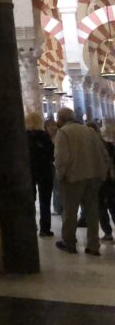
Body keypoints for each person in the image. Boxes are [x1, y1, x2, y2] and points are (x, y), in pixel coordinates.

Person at [54, 107, 110, 255]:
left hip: (73, 177)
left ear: (61, 119)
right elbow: (103, 153)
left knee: (70, 211)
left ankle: (69, 243)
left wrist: (60, 176)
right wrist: (102, 173)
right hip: (93, 176)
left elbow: (61, 158)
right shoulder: (89, 131)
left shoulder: (63, 133)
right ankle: (93, 245)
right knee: (92, 211)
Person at [26, 111, 54, 237]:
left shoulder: (23, 136)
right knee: (45, 201)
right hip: (45, 171)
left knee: (30, 200)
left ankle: (30, 226)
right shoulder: (44, 136)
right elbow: (51, 154)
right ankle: (45, 229)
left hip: (29, 171)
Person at [94, 124, 115, 242]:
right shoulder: (109, 146)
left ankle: (107, 233)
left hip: (102, 181)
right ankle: (107, 232)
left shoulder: (92, 148)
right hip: (108, 181)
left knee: (102, 207)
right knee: (109, 207)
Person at [45, 118, 62, 217]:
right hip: (50, 165)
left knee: (58, 187)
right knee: (55, 187)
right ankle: (57, 207)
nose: (51, 127)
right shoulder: (45, 138)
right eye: (49, 126)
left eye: (53, 125)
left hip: (57, 164)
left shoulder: (59, 136)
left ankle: (58, 207)